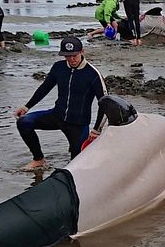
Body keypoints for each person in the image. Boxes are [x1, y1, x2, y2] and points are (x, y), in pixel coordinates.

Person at [14, 37, 107, 170]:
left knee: (76, 167)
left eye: (74, 55)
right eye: (67, 56)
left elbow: (104, 103)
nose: (71, 59)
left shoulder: (93, 74)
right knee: (24, 122)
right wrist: (26, 106)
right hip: (57, 116)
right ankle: (39, 160)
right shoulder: (59, 67)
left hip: (78, 125)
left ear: (82, 52)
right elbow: (44, 88)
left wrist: (97, 130)